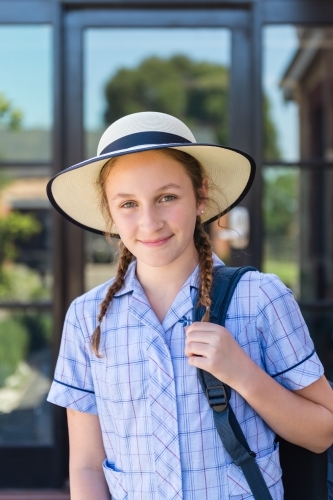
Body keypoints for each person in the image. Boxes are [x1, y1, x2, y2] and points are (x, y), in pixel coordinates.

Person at [47, 111, 333, 500]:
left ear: (201, 196)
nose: (149, 222)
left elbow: (323, 432)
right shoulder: (87, 318)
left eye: (167, 197)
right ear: (110, 214)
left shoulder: (260, 298)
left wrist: (244, 375)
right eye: (128, 203)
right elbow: (85, 463)